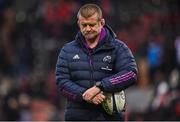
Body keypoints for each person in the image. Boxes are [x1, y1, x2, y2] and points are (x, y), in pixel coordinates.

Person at [55, 3, 138, 121]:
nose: (88, 29)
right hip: (78, 118)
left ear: (102, 23)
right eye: (84, 25)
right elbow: (61, 81)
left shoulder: (118, 48)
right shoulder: (67, 50)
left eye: (92, 24)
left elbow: (131, 73)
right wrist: (84, 95)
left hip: (109, 118)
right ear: (79, 24)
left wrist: (101, 87)